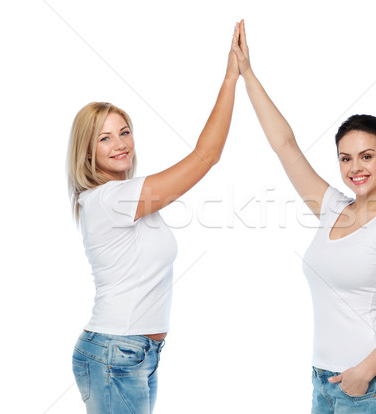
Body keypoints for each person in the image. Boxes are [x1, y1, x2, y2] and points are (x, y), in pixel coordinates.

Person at [231, 20, 376, 413]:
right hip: (324, 381)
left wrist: (362, 373)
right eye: (346, 158)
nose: (356, 167)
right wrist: (247, 74)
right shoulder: (333, 207)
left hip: (368, 387)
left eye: (367, 156)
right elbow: (285, 145)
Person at [66, 26, 240, 413]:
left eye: (124, 132)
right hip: (114, 353)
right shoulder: (110, 198)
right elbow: (206, 156)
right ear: (87, 151)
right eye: (105, 138)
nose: (120, 143)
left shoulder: (127, 199)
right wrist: (231, 78)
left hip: (137, 352)